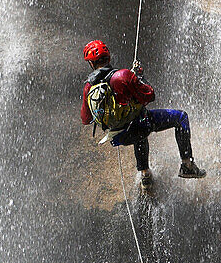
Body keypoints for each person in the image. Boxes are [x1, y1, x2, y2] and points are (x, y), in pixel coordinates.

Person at [79, 39, 206, 189]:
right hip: (141, 125)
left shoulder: (89, 86)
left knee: (136, 129)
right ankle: (187, 165)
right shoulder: (123, 76)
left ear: (92, 64)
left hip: (120, 136)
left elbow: (86, 119)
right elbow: (149, 95)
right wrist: (138, 76)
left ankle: (145, 175)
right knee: (180, 117)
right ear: (109, 58)